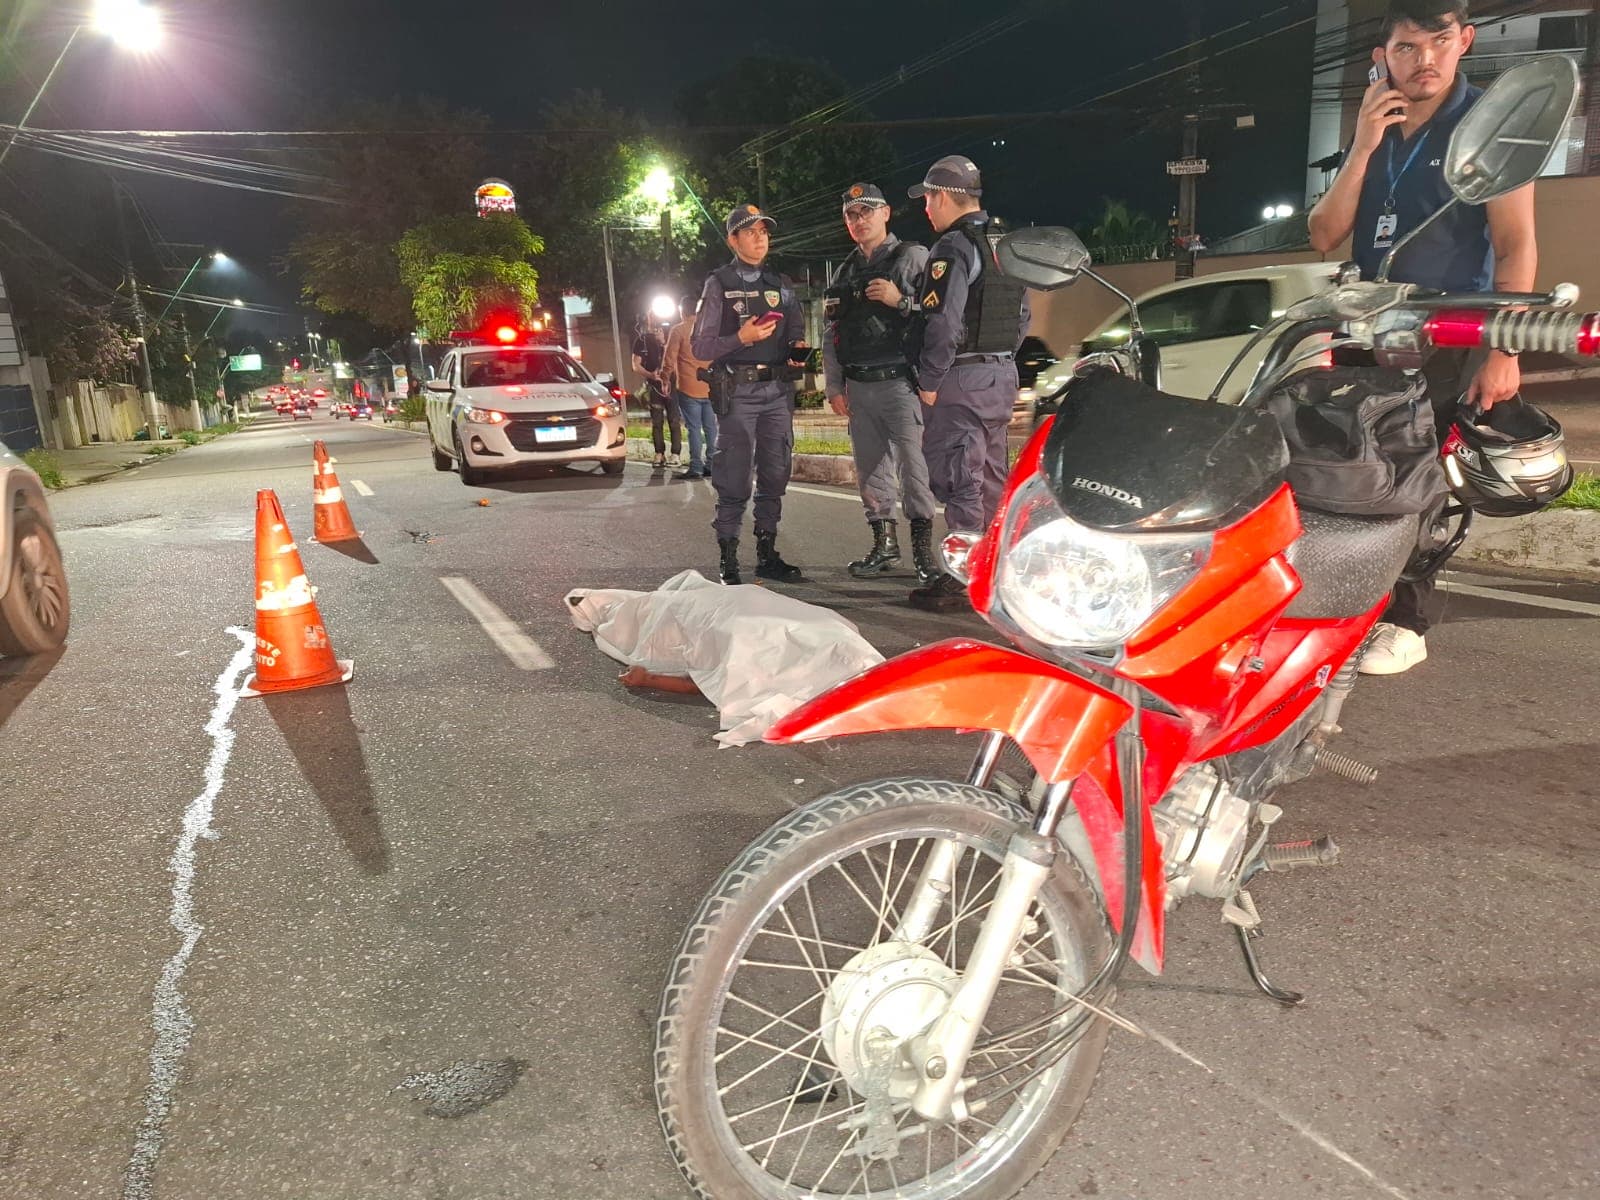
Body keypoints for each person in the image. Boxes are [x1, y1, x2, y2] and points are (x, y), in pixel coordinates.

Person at [1308, 0, 1536, 674]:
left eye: (1439, 41)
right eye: (1407, 47)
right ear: (1384, 56)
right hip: (1367, 330)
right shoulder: (1377, 124)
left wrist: (1504, 350)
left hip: (1449, 331)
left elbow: (1516, 244)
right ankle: (1349, 604)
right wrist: (1362, 147)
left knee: (1421, 475)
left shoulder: (1490, 123)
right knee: (1351, 470)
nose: (1425, 60)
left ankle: (1406, 620)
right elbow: (1324, 234)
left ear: (1465, 40)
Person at [905, 154, 1030, 611]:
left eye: (927, 199)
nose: (926, 209)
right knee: (992, 475)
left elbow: (943, 322)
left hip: (961, 377)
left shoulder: (953, 247)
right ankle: (996, 567)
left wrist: (930, 378)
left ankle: (965, 577)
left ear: (942, 197)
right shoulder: (1004, 243)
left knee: (960, 475)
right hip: (1001, 374)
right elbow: (1022, 316)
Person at [822, 183, 938, 580]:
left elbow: (940, 315)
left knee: (914, 470)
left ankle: (923, 554)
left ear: (886, 213)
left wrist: (900, 301)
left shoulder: (913, 257)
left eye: (866, 211)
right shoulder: (844, 271)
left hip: (901, 383)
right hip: (859, 386)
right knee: (870, 471)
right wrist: (834, 386)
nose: (859, 220)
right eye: (851, 215)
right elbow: (832, 333)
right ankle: (884, 546)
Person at [691, 204, 809, 585]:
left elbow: (796, 328)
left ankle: (767, 553)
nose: (760, 239)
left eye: (764, 232)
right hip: (738, 390)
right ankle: (728, 557)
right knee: (734, 476)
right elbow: (700, 346)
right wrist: (740, 338)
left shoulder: (780, 283)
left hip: (776, 391)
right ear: (733, 239)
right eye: (750, 232)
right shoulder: (719, 283)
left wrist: (797, 348)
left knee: (776, 472)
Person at [661, 294, 716, 479]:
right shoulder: (709, 329)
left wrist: (665, 378)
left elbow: (669, 358)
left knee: (694, 428)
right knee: (711, 428)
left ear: (682, 311)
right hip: (711, 387)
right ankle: (713, 464)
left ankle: (696, 467)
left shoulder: (679, 330)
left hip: (688, 387)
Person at [632, 319, 681, 469]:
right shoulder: (642, 341)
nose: (656, 326)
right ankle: (659, 453)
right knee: (657, 422)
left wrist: (663, 343)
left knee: (674, 420)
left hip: (672, 386)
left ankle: (676, 454)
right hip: (654, 387)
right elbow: (635, 365)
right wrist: (650, 375)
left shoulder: (672, 334)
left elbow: (677, 359)